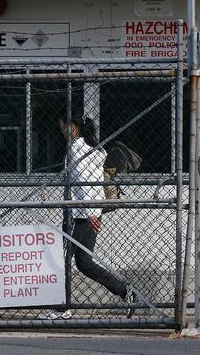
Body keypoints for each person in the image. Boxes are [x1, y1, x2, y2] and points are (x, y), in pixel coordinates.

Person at [39, 114, 135, 320]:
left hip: (80, 214)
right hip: (91, 212)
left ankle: (62, 307)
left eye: (62, 125)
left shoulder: (76, 150)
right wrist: (95, 211)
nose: (61, 130)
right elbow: (92, 181)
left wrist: (91, 212)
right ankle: (125, 291)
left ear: (72, 127)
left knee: (63, 260)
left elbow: (85, 182)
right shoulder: (94, 149)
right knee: (83, 262)